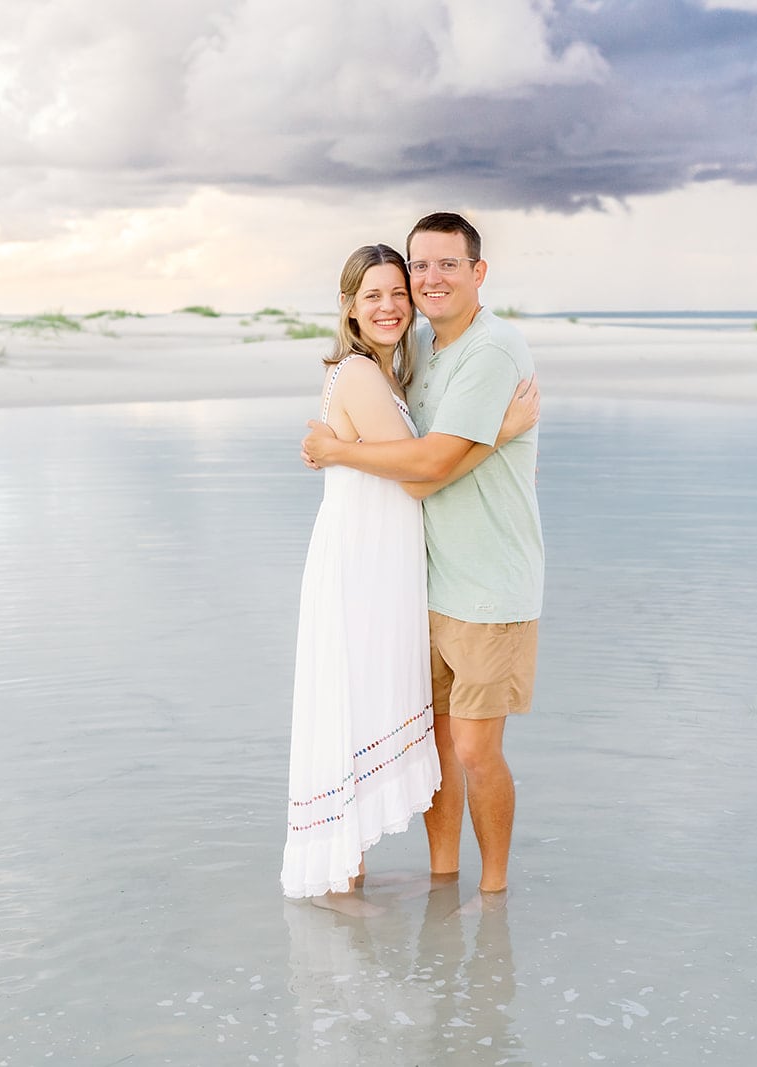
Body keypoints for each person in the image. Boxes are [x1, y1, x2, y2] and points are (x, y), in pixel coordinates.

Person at [281, 243, 538, 902]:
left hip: (382, 566)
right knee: (355, 713)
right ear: (349, 308)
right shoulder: (364, 376)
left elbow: (408, 461)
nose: (392, 304)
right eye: (374, 295)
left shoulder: (394, 370)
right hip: (361, 568)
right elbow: (419, 478)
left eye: (398, 291)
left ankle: (382, 886)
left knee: (366, 716)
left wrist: (337, 449)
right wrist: (501, 431)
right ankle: (345, 883)